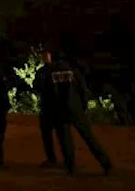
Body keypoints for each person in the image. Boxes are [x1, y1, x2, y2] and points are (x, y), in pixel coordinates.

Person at [33, 47, 113, 176]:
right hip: (76, 109)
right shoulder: (73, 70)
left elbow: (43, 91)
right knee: (89, 137)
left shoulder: (46, 72)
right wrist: (83, 106)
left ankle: (71, 166)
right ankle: (106, 163)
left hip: (60, 110)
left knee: (65, 140)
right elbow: (83, 90)